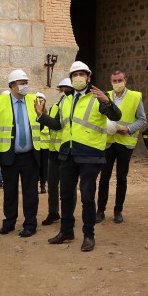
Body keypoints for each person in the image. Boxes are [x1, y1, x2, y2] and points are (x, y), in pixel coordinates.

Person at [37, 61, 121, 252]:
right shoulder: (65, 100)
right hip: (67, 154)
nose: (78, 78)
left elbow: (116, 116)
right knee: (65, 195)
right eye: (75, 75)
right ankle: (66, 231)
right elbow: (59, 125)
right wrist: (42, 116)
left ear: (88, 77)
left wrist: (108, 102)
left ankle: (89, 235)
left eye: (82, 74)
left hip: (90, 154)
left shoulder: (98, 97)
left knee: (87, 197)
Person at [0, 69, 43, 238]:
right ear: (12, 86)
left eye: (26, 82)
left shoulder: (35, 100)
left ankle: (30, 224)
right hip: (8, 155)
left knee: (30, 192)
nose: (24, 86)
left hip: (30, 155)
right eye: (21, 83)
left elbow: (41, 123)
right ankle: (9, 222)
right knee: (10, 191)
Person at [96, 70, 147, 224]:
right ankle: (100, 211)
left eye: (120, 80)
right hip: (108, 142)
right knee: (104, 177)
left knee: (121, 178)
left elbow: (142, 119)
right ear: (111, 81)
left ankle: (118, 210)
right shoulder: (106, 96)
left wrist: (129, 129)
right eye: (114, 80)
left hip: (125, 142)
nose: (117, 83)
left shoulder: (135, 97)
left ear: (125, 80)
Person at [41, 78, 73, 227]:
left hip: (67, 152)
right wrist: (43, 115)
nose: (64, 91)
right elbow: (53, 124)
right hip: (53, 152)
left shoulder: (73, 105)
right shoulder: (55, 106)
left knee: (68, 186)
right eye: (62, 88)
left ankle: (69, 215)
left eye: (67, 88)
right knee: (52, 185)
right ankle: (53, 212)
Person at [37, 92, 50, 194]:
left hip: (45, 146)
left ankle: (42, 185)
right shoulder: (33, 114)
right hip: (36, 145)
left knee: (44, 167)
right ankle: (36, 184)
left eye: (42, 100)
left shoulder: (48, 114)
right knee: (37, 167)